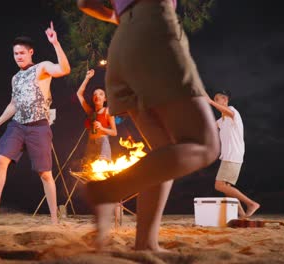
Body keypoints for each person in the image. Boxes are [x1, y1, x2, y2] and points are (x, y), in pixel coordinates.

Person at [77, 0, 219, 251]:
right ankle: (106, 191)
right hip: (154, 26)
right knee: (206, 146)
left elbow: (85, 2)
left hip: (122, 42)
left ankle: (145, 243)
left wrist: (121, 17)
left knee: (163, 153)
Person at [0, 22, 70, 225]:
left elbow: (64, 69)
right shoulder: (15, 78)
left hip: (39, 126)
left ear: (30, 52)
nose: (18, 56)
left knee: (45, 174)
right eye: (15, 54)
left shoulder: (41, 68)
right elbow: (13, 104)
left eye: (22, 53)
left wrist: (55, 43)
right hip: (17, 125)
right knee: (1, 160)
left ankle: (54, 219)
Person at [203, 90, 260, 218]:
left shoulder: (232, 111)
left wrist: (210, 102)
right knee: (226, 187)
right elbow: (207, 127)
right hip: (229, 156)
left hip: (233, 155)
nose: (215, 101)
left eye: (217, 99)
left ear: (225, 100)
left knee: (219, 185)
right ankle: (241, 214)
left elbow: (227, 112)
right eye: (214, 99)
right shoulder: (222, 121)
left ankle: (251, 204)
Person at [76, 69, 117, 163]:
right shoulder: (90, 112)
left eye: (101, 94)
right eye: (95, 94)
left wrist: (102, 128)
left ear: (105, 99)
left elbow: (114, 132)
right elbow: (79, 94)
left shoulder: (108, 111)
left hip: (102, 142)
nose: (97, 95)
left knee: (102, 170)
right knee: (89, 170)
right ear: (93, 98)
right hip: (90, 143)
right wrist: (87, 78)